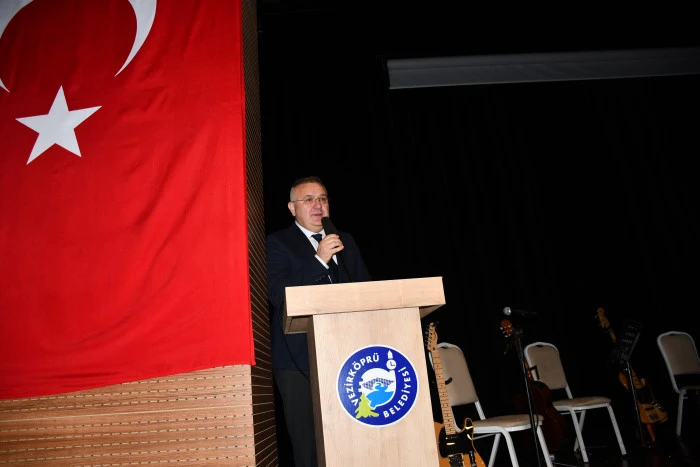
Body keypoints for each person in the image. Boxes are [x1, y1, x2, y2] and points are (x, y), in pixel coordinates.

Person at [266, 176, 371, 467]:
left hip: (348, 354)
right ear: (292, 208)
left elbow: (366, 290)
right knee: (309, 445)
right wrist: (319, 259)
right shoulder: (277, 243)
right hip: (298, 359)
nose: (317, 205)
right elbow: (278, 295)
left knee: (353, 436)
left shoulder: (345, 240)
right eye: (309, 199)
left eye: (322, 199)